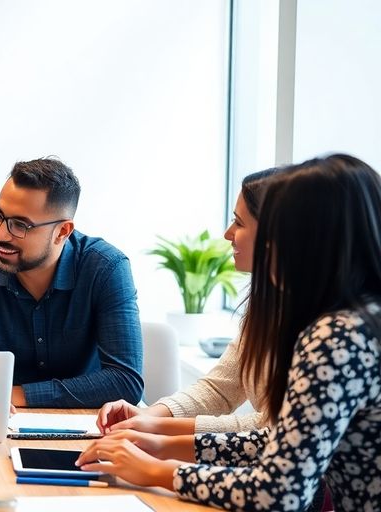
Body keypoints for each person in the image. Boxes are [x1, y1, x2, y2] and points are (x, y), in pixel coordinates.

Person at [77, 154, 381, 511]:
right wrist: (160, 442)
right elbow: (278, 440)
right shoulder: (357, 320)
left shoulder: (336, 337)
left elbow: (278, 491)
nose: (228, 234)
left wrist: (159, 470)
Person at [0, 157, 143, 408]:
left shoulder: (106, 268)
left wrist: (15, 395)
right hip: (6, 424)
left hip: (92, 426)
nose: (0, 234)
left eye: (20, 225)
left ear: (63, 231)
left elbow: (125, 381)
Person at [96, 168, 281, 435]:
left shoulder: (320, 325)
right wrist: (150, 414)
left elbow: (272, 427)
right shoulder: (266, 305)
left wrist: (161, 428)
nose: (228, 233)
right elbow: (219, 388)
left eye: (239, 223)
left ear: (274, 235)